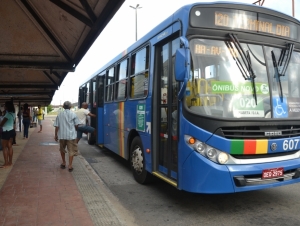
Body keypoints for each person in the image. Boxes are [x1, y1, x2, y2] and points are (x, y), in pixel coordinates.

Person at [53, 101, 80, 172]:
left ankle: (64, 162)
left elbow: (56, 126)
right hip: (71, 136)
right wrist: (75, 130)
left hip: (61, 135)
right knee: (71, 150)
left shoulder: (59, 115)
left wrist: (56, 135)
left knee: (62, 149)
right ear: (70, 107)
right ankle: (70, 165)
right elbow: (77, 125)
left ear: (63, 107)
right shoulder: (73, 114)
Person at [0, 101, 15, 168]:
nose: (4, 107)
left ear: (7, 107)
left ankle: (6, 163)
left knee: (4, 147)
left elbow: (2, 124)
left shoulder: (7, 114)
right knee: (10, 147)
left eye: (5, 106)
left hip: (6, 131)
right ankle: (10, 162)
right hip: (11, 131)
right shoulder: (13, 113)